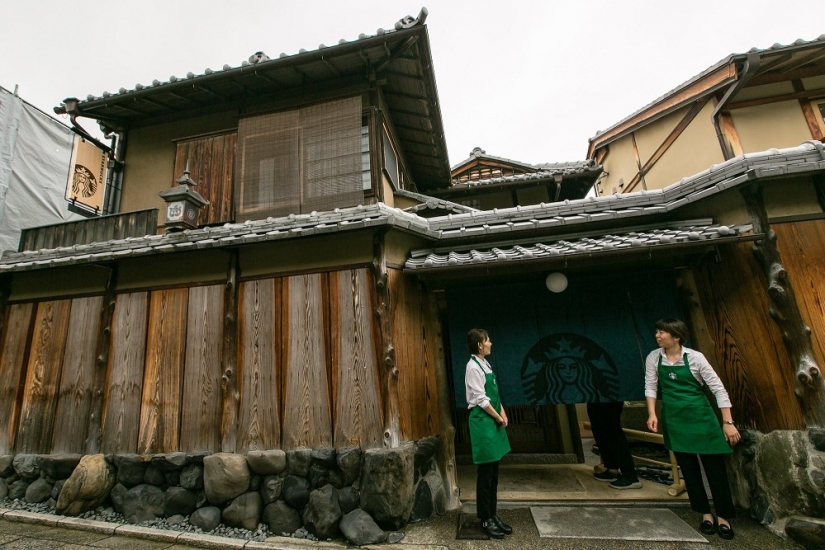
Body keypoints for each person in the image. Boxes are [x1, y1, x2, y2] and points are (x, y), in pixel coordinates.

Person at [645, 318, 741, 540]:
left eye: (662, 332)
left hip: (701, 417)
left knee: (714, 469)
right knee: (688, 469)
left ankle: (724, 516)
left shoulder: (695, 358)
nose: (658, 336)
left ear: (676, 336)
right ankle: (706, 514)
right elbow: (650, 384)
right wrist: (652, 413)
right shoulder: (654, 357)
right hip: (675, 418)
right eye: (657, 331)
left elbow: (717, 388)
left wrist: (727, 422)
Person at [465, 328, 512, 539]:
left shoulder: (486, 364)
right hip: (483, 421)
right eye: (487, 340)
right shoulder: (472, 367)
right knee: (485, 474)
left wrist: (503, 412)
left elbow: (495, 394)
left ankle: (493, 515)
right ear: (479, 346)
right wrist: (497, 416)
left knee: (494, 473)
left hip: (492, 419)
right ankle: (485, 518)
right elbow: (481, 399)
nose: (490, 343)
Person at [587, 401, 642, 489]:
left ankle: (629, 475)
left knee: (611, 425)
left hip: (610, 393)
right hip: (598, 392)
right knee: (597, 423)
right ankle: (612, 469)